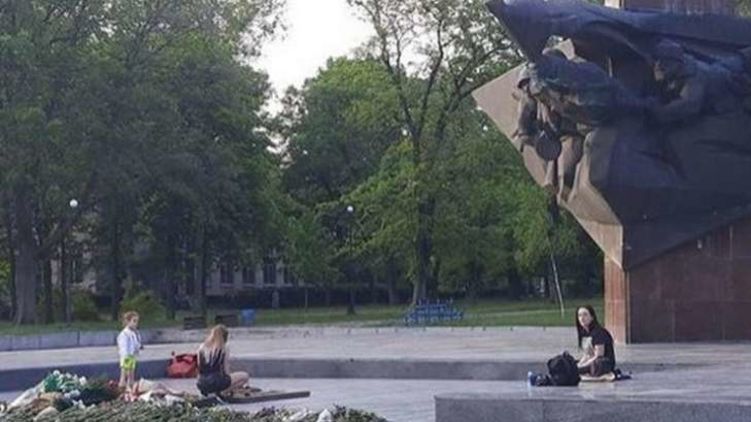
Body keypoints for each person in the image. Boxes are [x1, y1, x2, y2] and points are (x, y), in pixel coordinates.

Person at [196, 325, 250, 397]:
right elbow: (225, 369)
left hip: (201, 382)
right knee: (245, 376)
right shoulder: (224, 348)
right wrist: (230, 379)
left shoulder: (201, 347)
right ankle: (223, 392)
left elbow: (199, 366)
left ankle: (209, 392)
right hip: (216, 381)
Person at [575, 305, 616, 377]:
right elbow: (587, 355)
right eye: (579, 315)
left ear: (592, 317)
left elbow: (598, 355)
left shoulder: (599, 332)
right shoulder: (584, 333)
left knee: (594, 365)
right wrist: (579, 364)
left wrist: (583, 366)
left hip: (601, 363)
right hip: (591, 361)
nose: (582, 318)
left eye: (585, 315)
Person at [117, 311, 141, 392]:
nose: (136, 323)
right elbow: (123, 346)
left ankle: (130, 387)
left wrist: (137, 348)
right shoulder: (124, 334)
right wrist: (125, 355)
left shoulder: (134, 333)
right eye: (134, 321)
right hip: (126, 357)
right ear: (128, 321)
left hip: (132, 356)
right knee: (124, 374)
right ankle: (121, 388)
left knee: (131, 374)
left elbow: (136, 343)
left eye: (137, 321)